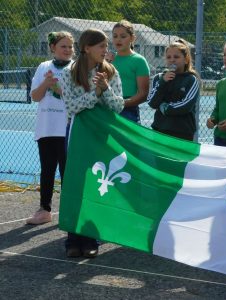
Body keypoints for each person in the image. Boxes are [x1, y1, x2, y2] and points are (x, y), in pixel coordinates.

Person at [60, 28, 124, 258]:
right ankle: (73, 239)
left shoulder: (110, 72)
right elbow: (72, 107)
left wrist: (104, 89)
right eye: (101, 46)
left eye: (106, 46)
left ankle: (91, 238)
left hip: (101, 135)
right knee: (76, 184)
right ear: (87, 48)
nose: (106, 50)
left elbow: (118, 106)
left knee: (96, 184)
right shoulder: (69, 73)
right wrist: (94, 93)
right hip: (78, 134)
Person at [26, 31, 74, 225]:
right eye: (64, 46)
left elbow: (74, 98)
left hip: (67, 130)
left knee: (67, 171)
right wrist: (46, 83)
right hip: (46, 129)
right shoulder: (43, 67)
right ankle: (44, 210)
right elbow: (35, 97)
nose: (68, 50)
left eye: (71, 46)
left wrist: (58, 89)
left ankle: (69, 210)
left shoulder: (76, 68)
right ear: (53, 47)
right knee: (47, 170)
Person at [147, 39, 200, 141]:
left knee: (180, 157)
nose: (172, 60)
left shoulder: (191, 80)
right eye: (168, 57)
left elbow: (186, 105)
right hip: (160, 130)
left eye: (176, 57)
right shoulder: (158, 78)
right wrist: (163, 82)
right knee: (159, 157)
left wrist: (165, 108)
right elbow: (152, 102)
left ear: (186, 60)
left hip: (182, 132)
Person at [106, 20, 150, 123]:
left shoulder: (139, 61)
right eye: (115, 36)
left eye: (123, 36)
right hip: (107, 107)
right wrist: (106, 63)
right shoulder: (108, 59)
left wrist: (121, 103)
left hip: (128, 110)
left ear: (132, 38)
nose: (118, 40)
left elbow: (143, 94)